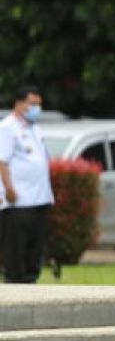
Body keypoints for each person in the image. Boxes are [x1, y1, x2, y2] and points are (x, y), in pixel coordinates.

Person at [0, 85, 54, 283]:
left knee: (34, 247)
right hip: (19, 200)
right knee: (16, 249)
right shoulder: (7, 128)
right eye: (32, 104)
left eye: (39, 104)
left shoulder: (35, 129)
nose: (36, 108)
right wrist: (8, 188)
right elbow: (2, 161)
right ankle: (15, 285)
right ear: (19, 104)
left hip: (39, 198)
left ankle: (31, 283)